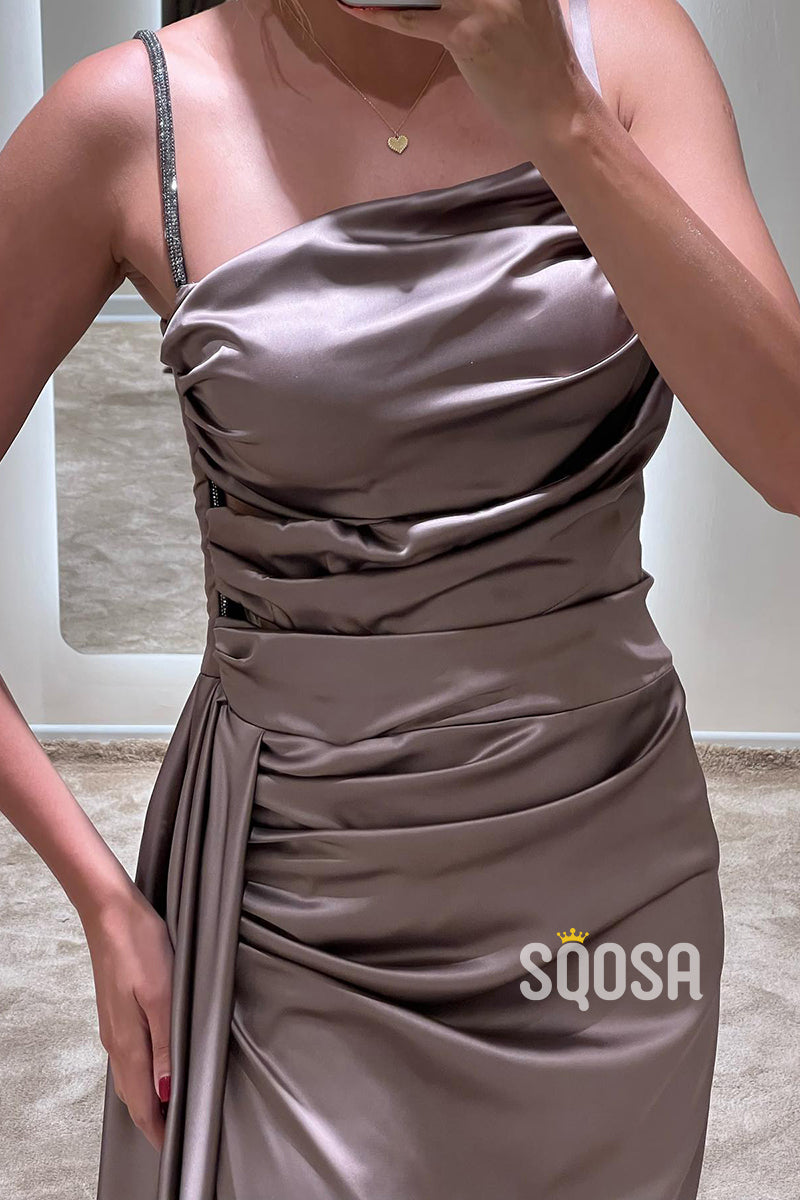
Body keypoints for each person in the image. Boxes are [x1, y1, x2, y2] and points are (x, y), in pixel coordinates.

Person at [1, 0, 799, 1196]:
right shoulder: (129, 117)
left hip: (604, 891)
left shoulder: (625, 55)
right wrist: (104, 903)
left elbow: (788, 455)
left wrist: (559, 115)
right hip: (295, 902)